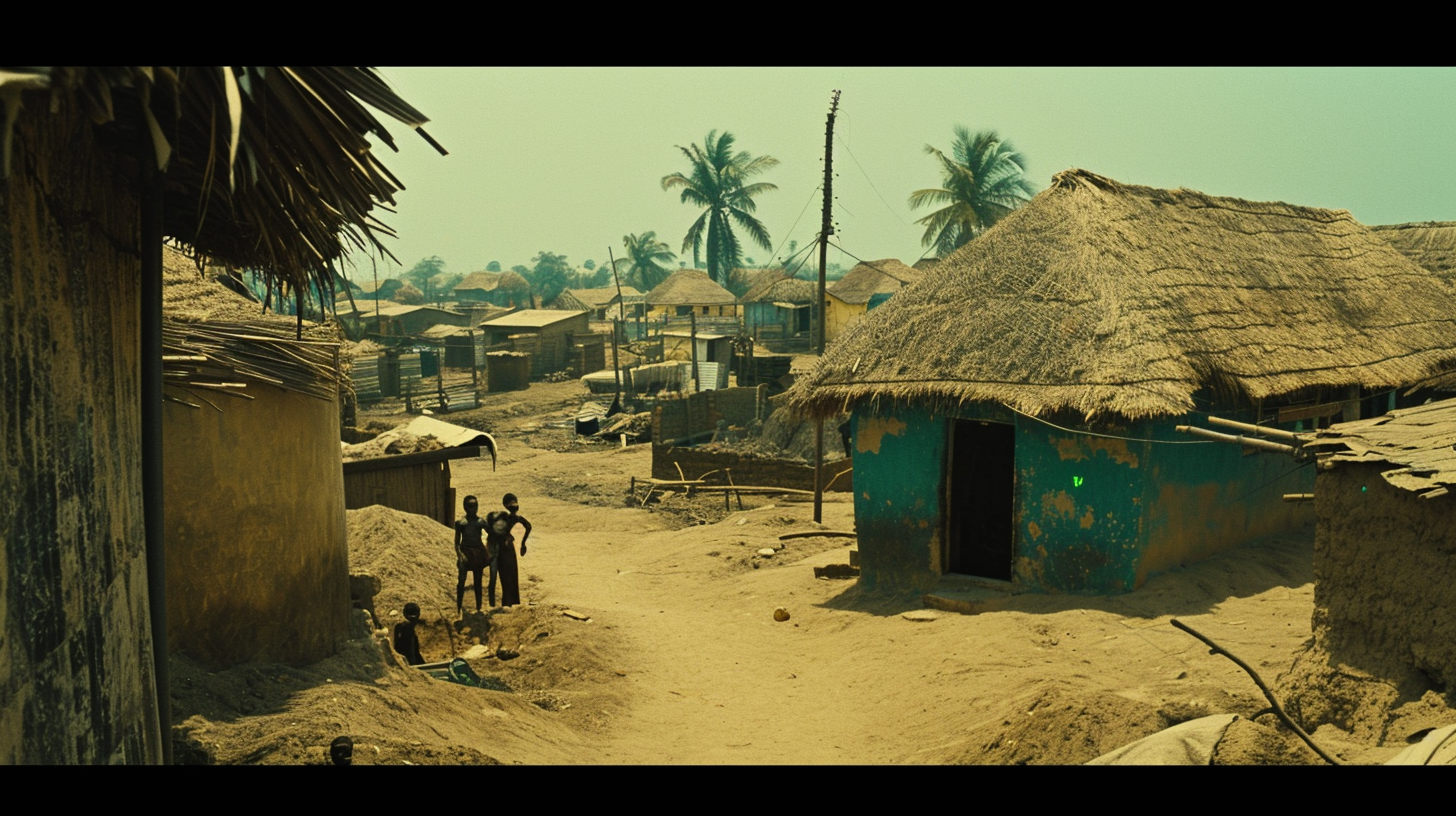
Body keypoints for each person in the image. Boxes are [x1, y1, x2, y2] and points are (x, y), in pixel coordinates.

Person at [484, 493, 531, 608]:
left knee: (506, 575)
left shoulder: (505, 517)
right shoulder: (508, 517)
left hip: (503, 548)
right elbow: (528, 526)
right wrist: (522, 544)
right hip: (505, 548)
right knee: (509, 575)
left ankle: (504, 602)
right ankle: (509, 602)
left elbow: (528, 526)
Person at [453, 495, 490, 615]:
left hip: (478, 553)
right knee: (461, 581)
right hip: (466, 552)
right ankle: (458, 608)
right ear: (465, 507)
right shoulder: (460, 523)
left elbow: (492, 534)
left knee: (478, 581)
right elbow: (456, 542)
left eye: (475, 506)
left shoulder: (481, 522)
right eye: (470, 506)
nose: (473, 509)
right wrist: (460, 555)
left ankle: (478, 608)